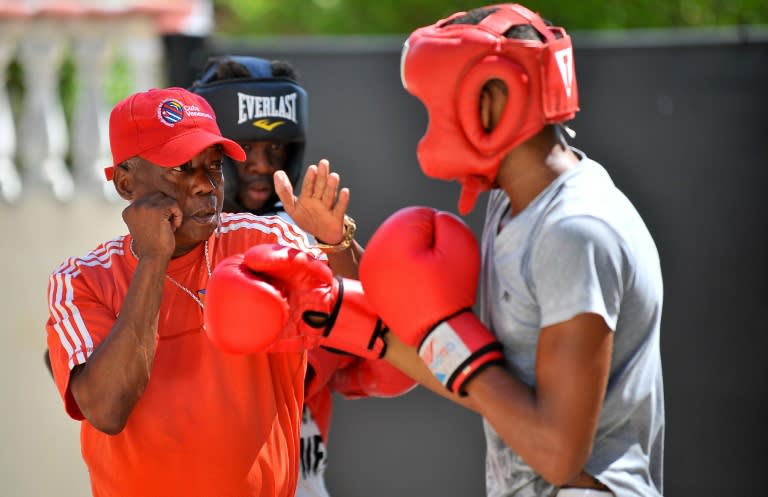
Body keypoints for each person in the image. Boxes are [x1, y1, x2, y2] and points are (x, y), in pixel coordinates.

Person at [354, 4, 664, 497]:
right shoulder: (513, 204)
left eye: (438, 105)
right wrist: (343, 313)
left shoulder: (575, 230)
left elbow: (559, 454)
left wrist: (444, 333)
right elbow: (488, 386)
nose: (432, 125)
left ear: (494, 100)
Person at [43, 86, 376, 497]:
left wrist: (334, 241)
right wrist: (153, 259)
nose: (205, 185)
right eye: (181, 168)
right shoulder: (81, 280)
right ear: (126, 183)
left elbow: (374, 324)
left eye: (213, 167)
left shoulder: (264, 242)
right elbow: (107, 409)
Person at [188, 55, 417, 497]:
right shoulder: (170, 247)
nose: (259, 164)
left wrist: (336, 241)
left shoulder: (307, 247)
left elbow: (393, 356)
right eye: (244, 148)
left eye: (274, 149)